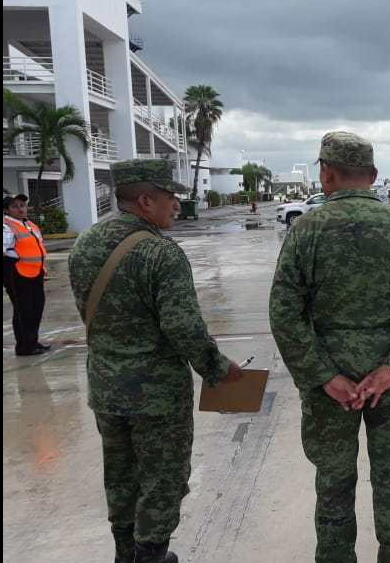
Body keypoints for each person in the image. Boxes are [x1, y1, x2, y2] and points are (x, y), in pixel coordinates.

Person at [270, 132, 390, 563]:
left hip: (330, 388)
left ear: (325, 174)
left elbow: (284, 313)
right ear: (371, 176)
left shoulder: (305, 230)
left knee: (332, 483)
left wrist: (323, 375)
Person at [67, 159, 243, 563]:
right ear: (145, 201)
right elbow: (183, 326)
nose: (177, 205)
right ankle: (150, 555)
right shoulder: (160, 253)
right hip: (156, 396)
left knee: (121, 476)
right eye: (170, 197)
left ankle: (124, 553)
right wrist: (218, 369)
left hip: (106, 386)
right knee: (163, 478)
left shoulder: (86, 243)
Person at [3, 193, 49, 356]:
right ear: (7, 210)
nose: (21, 209)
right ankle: (24, 346)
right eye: (15, 206)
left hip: (34, 272)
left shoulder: (30, 225)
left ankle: (33, 341)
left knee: (36, 307)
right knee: (23, 310)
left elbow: (37, 247)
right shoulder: (6, 225)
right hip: (16, 272)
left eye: (22, 205)